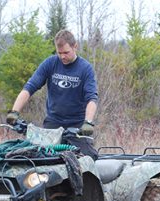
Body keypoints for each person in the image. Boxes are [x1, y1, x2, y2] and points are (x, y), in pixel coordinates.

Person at [6, 29, 99, 160]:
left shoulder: (85, 68)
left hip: (77, 127)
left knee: (88, 159)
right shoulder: (50, 63)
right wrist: (14, 112)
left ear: (75, 47)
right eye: (59, 53)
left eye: (66, 52)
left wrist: (88, 122)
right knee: (38, 159)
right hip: (53, 124)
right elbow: (29, 88)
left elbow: (92, 98)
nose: (62, 57)